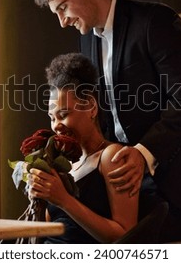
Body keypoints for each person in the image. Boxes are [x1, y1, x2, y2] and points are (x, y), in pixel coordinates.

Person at [34, 0, 181, 242]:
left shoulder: (155, 20)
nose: (62, 21)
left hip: (172, 178)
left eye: (63, 7)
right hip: (118, 182)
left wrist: (143, 154)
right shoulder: (86, 38)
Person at [28, 52, 142, 243]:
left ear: (90, 106)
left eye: (63, 114)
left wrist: (64, 199)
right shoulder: (64, 164)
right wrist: (37, 198)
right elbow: (48, 229)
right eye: (52, 117)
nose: (56, 125)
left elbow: (125, 236)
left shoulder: (111, 157)